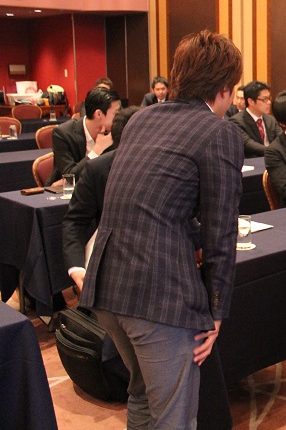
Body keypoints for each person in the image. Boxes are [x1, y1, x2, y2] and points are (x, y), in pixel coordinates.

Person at [80, 30, 244, 429]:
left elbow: (153, 202)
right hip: (158, 295)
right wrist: (217, 310)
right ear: (224, 89)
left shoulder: (142, 118)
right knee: (174, 416)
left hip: (107, 285)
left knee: (141, 396)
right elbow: (221, 233)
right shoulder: (219, 131)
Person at [62, 106, 139, 293]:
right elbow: (75, 221)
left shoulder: (169, 164)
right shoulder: (98, 169)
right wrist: (77, 268)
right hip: (114, 259)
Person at [48, 87, 121, 185]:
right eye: (116, 114)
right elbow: (70, 176)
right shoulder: (63, 134)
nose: (118, 118)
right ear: (98, 114)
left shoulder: (115, 132)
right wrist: (97, 150)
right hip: (65, 191)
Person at [228, 81, 282, 157]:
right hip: (253, 161)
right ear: (251, 101)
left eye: (269, 98)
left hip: (273, 159)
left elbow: (281, 139)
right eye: (264, 99)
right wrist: (274, 151)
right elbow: (248, 144)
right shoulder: (236, 121)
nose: (269, 102)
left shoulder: (271, 120)